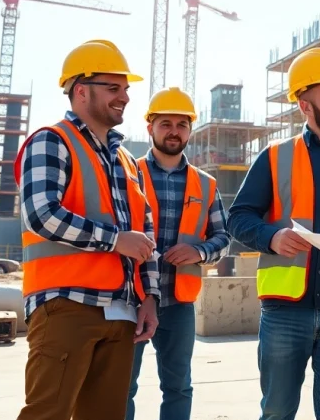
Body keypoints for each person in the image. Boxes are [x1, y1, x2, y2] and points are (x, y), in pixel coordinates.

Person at [227, 47, 320, 420]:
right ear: (305, 106)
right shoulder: (275, 157)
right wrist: (271, 237)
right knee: (277, 413)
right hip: (284, 312)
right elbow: (238, 218)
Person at [15, 39, 160, 420]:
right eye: (113, 88)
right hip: (67, 306)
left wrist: (150, 298)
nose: (124, 97)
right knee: (48, 413)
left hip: (124, 312)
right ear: (81, 91)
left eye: (126, 89)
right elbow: (41, 214)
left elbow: (145, 237)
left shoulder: (127, 160)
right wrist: (116, 240)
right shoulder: (52, 140)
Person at [126, 86, 232, 420]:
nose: (174, 131)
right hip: (130, 298)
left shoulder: (206, 184)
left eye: (181, 124)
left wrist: (198, 252)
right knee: (121, 387)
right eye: (166, 123)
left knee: (178, 387)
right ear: (150, 128)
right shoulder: (127, 175)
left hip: (179, 303)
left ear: (190, 130)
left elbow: (223, 239)